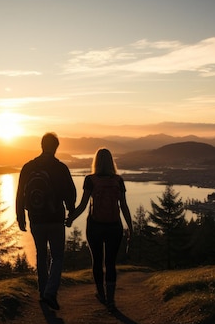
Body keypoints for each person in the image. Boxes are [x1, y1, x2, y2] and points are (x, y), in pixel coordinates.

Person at [66, 148, 133, 311]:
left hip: (95, 225)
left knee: (97, 261)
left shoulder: (90, 179)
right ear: (112, 162)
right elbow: (123, 206)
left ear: (95, 162)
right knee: (110, 262)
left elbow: (83, 205)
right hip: (114, 226)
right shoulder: (118, 180)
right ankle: (111, 299)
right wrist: (130, 227)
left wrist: (71, 218)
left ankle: (101, 294)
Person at [16, 132, 76, 310]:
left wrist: (20, 216)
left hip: (36, 218)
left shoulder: (28, 167)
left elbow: (20, 194)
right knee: (57, 257)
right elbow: (70, 194)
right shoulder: (61, 168)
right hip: (56, 218)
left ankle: (43, 293)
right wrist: (71, 214)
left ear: (42, 145)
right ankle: (50, 293)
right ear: (56, 147)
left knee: (41, 255)